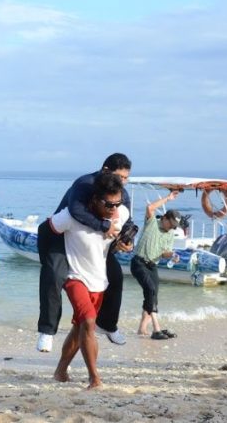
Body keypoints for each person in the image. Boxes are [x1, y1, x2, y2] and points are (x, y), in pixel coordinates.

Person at [37, 153, 135, 353]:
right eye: (120, 177)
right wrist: (103, 225)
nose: (123, 183)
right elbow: (76, 211)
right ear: (106, 171)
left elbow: (127, 220)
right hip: (62, 235)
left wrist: (125, 239)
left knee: (115, 276)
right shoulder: (83, 184)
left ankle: (107, 325)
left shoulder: (120, 192)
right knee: (54, 275)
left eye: (126, 178)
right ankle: (47, 331)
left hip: (91, 241)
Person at [49, 172, 129, 389]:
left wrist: (121, 243)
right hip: (75, 277)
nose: (114, 209)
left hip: (99, 281)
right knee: (89, 322)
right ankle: (95, 379)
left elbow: (118, 238)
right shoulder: (69, 217)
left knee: (80, 328)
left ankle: (60, 371)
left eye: (117, 203)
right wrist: (52, 270)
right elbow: (47, 232)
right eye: (109, 204)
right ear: (94, 199)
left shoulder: (120, 213)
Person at [131, 191, 181, 340]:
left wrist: (172, 255)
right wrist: (168, 198)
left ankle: (142, 329)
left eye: (174, 227)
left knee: (153, 296)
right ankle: (156, 329)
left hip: (152, 265)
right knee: (150, 291)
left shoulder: (170, 233)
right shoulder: (152, 221)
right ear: (164, 218)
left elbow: (165, 253)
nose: (171, 228)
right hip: (139, 262)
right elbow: (150, 207)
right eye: (170, 224)